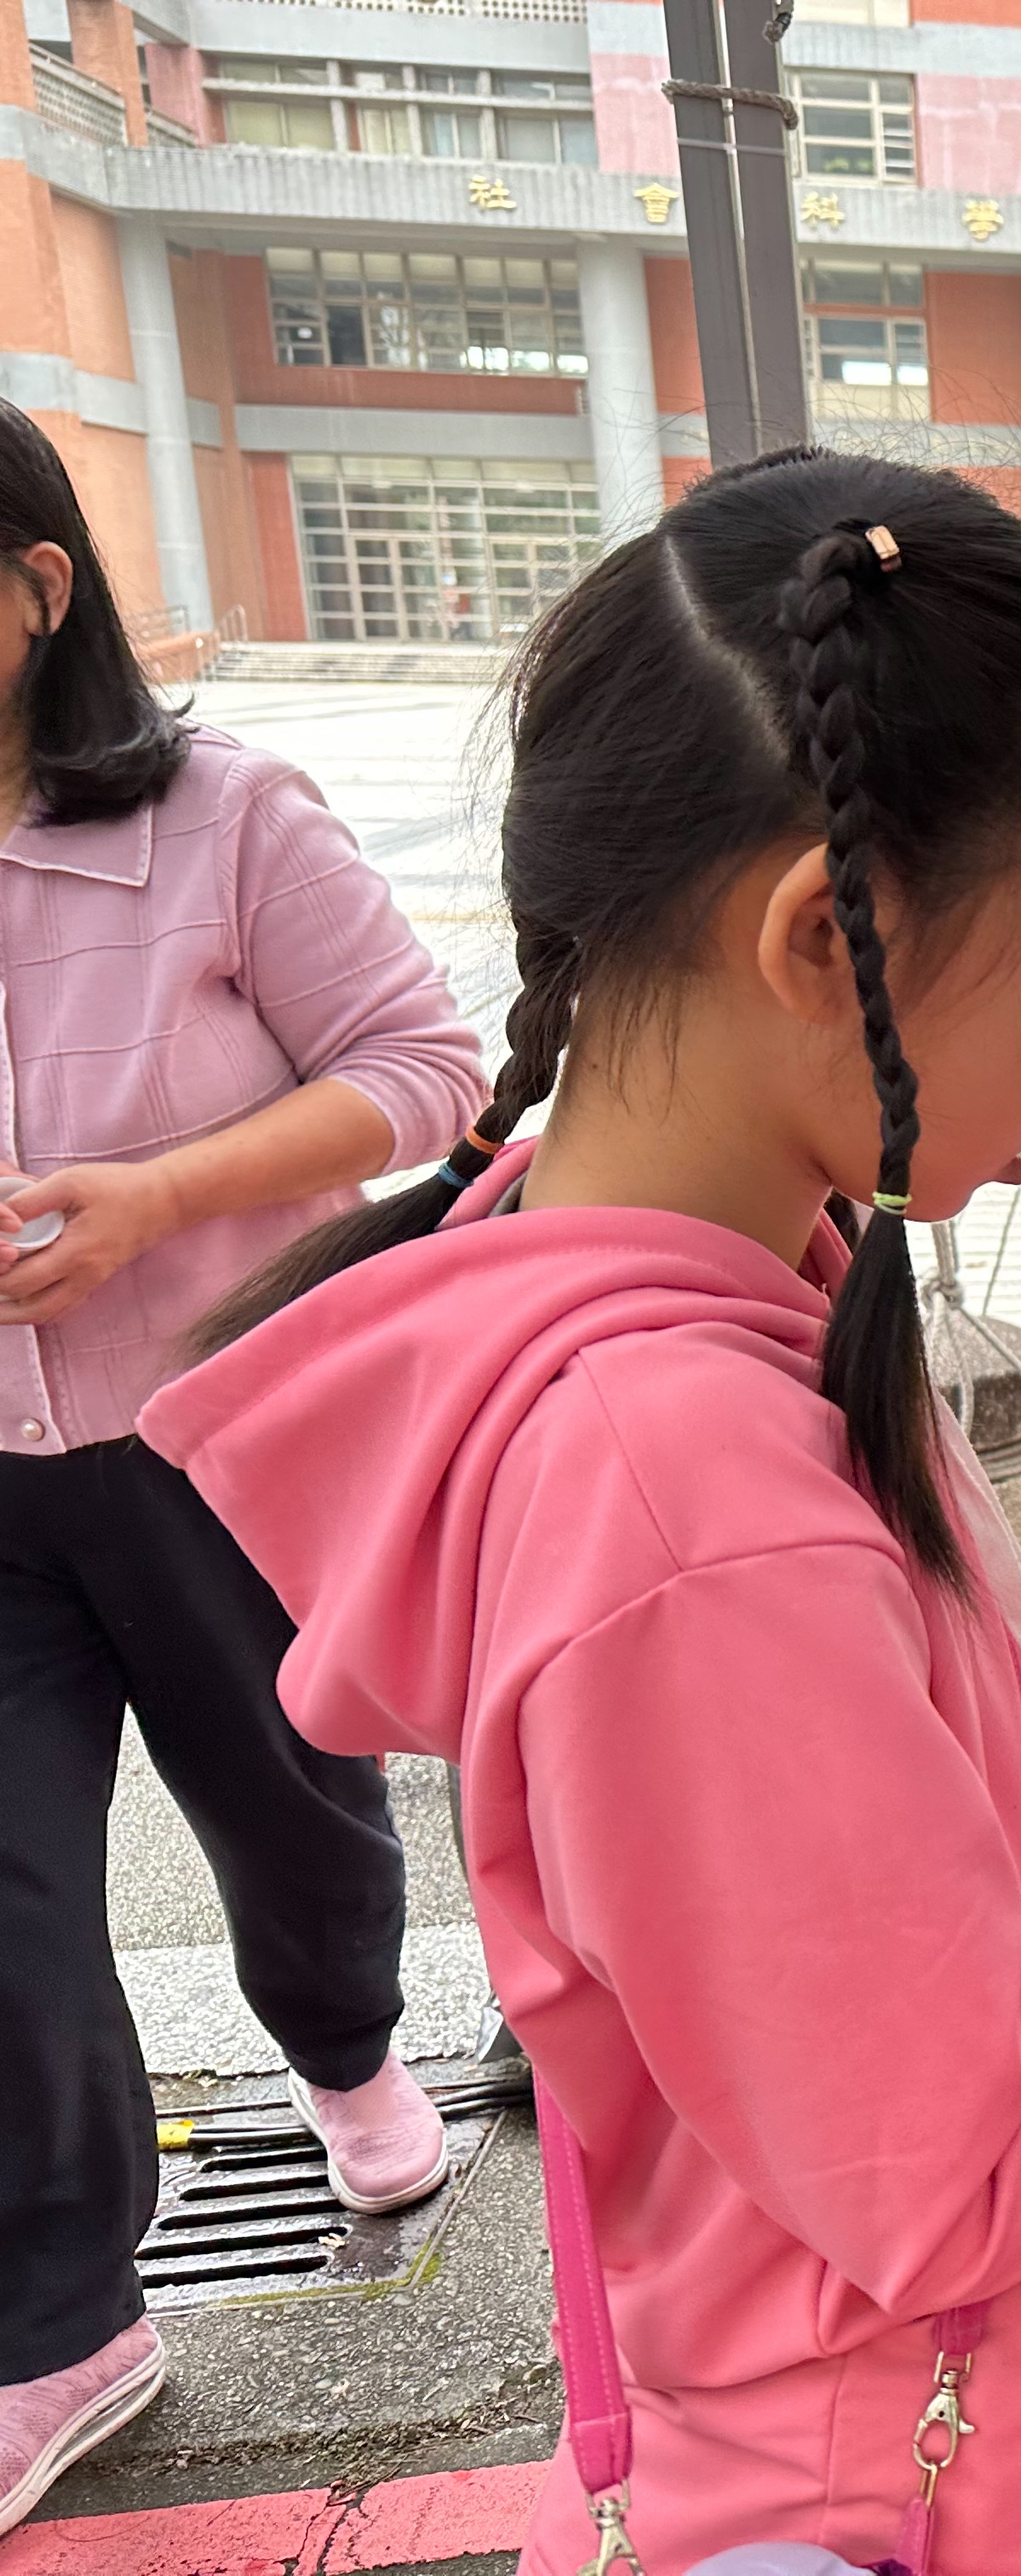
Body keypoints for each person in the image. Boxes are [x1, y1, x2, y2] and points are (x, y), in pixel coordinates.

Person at [144, 451, 1021, 2576]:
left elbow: (874, 1793)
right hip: (895, 2494)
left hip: (942, 2417)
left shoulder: (722, 1274)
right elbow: (954, 2157)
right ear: (828, 941)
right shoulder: (680, 1497)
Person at [0, 403, 490, 2537]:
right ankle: (62, 2325)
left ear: (30, 593)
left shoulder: (220, 815)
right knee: (5, 1902)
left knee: (288, 1815)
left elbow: (429, 1073)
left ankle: (355, 2060)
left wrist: (153, 1199)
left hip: (205, 1436)